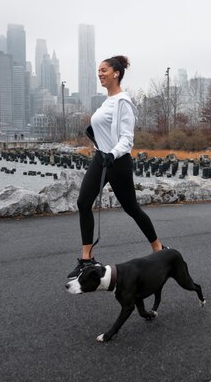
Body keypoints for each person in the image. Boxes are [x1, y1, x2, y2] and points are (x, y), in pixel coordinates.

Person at [67, 55, 166, 279]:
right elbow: (105, 130)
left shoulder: (123, 102)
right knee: (83, 202)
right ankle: (86, 259)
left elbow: (126, 139)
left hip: (117, 162)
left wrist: (112, 154)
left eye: (104, 70)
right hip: (101, 158)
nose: (100, 74)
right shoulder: (107, 101)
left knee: (131, 208)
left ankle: (158, 247)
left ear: (116, 73)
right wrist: (95, 137)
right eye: (98, 71)